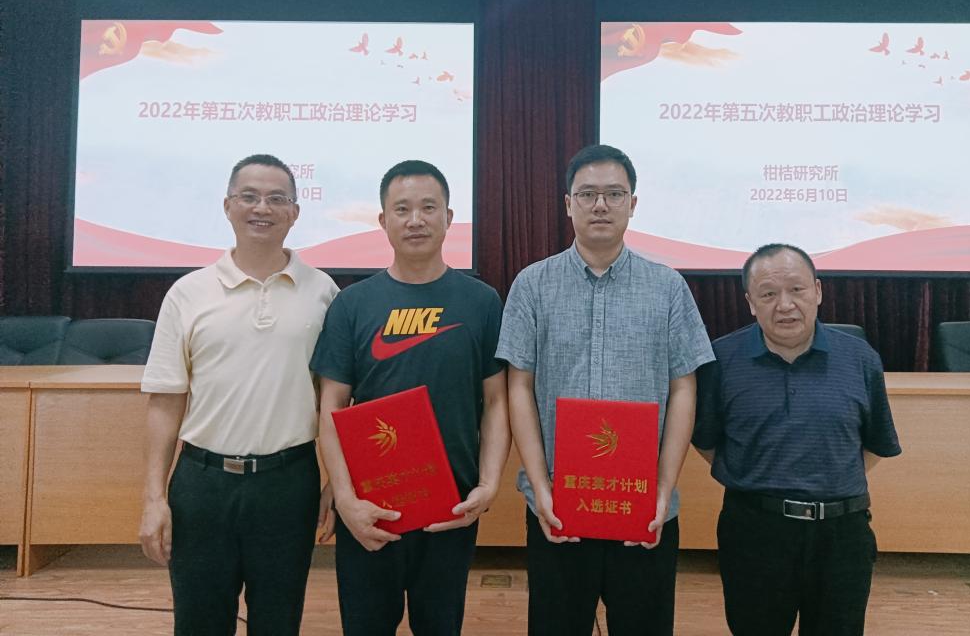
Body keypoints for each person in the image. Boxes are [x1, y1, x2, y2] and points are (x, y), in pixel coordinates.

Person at [496, 143, 715, 636]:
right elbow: (519, 387)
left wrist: (661, 491)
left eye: (614, 194)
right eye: (587, 194)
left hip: (642, 508)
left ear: (632, 204)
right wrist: (542, 489)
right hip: (558, 505)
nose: (600, 205)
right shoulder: (532, 285)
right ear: (567, 203)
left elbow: (684, 388)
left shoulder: (667, 287)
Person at [138, 154, 339, 635]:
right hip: (202, 485)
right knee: (199, 622)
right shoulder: (188, 293)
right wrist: (153, 497)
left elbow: (334, 398)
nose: (261, 208)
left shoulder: (324, 292)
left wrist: (337, 480)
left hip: (288, 484)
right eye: (249, 196)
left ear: (295, 212)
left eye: (276, 198)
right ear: (228, 206)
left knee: (278, 620)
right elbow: (165, 401)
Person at [311, 159, 509, 636]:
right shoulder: (352, 304)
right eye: (402, 209)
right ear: (383, 220)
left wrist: (488, 484)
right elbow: (331, 408)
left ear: (449, 217)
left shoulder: (482, 301)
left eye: (428, 207)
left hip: (451, 509)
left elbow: (497, 402)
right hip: (370, 510)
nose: (415, 220)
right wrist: (345, 500)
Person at [692, 243, 902, 636]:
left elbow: (875, 444)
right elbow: (706, 441)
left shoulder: (860, 358)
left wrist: (826, 481)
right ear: (750, 303)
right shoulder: (721, 360)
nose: (785, 305)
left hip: (842, 535)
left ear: (818, 291)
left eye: (797, 289)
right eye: (768, 294)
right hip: (755, 532)